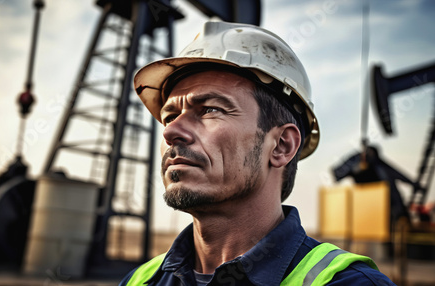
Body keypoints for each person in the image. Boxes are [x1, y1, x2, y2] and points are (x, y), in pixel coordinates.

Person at [120, 21, 395, 285]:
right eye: (169, 117)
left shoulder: (349, 283)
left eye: (210, 110)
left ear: (282, 146)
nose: (170, 132)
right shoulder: (140, 280)